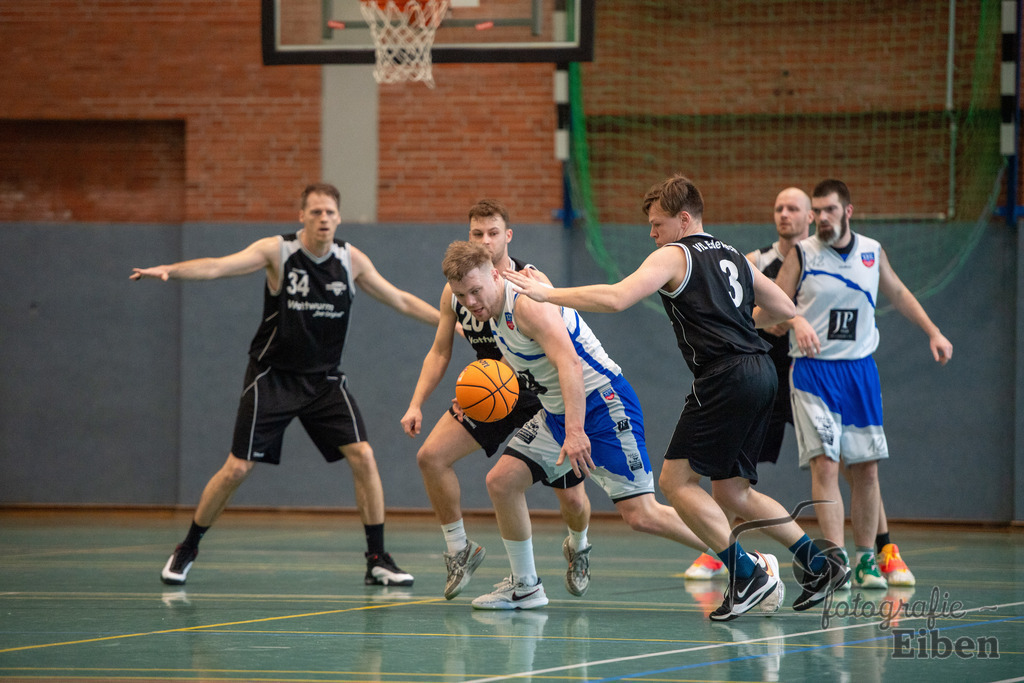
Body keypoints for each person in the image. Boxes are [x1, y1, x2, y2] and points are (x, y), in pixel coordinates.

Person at [505, 174, 850, 621]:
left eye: (657, 224)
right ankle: (821, 563)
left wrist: (546, 293)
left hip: (725, 376)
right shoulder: (732, 253)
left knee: (673, 483)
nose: (652, 234)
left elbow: (615, 298)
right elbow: (785, 307)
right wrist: (742, 321)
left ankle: (746, 575)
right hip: (763, 371)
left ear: (683, 220)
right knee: (734, 492)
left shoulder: (675, 254)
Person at [131, 182, 440, 588]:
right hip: (273, 376)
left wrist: (448, 323)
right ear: (302, 216)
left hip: (325, 381)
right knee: (237, 468)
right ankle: (187, 547)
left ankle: (378, 559)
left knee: (363, 456)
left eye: (330, 212)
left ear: (339, 217)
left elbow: (399, 299)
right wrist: (173, 270)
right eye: (315, 212)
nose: (323, 218)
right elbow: (218, 265)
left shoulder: (350, 260)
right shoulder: (278, 252)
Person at [442, 240, 708, 611]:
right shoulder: (491, 311)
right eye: (461, 294)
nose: (470, 301)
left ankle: (744, 559)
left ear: (496, 274)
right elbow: (520, 360)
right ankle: (525, 586)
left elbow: (568, 363)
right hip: (557, 411)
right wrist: (476, 394)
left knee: (642, 515)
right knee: (502, 482)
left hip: (602, 402)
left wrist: (576, 429)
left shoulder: (526, 304)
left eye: (475, 290)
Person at [400, 199, 593, 601]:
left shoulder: (529, 283)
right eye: (477, 233)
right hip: (494, 391)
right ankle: (460, 550)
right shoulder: (455, 292)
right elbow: (439, 351)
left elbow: (559, 351)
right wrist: (417, 402)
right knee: (430, 457)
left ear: (507, 236)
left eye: (492, 233)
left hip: (539, 393)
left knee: (573, 498)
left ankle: (579, 544)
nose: (485, 241)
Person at [773, 179, 952, 590]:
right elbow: (771, 309)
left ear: (848, 211)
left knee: (867, 469)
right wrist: (796, 320)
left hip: (859, 372)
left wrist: (933, 331)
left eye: (829, 210)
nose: (821, 218)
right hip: (814, 373)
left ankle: (867, 559)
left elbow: (899, 292)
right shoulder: (802, 254)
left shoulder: (871, 252)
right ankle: (836, 560)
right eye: (816, 211)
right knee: (826, 464)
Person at [682, 186, 815, 582]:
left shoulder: (824, 260)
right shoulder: (752, 259)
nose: (784, 214)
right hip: (763, 367)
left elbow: (788, 308)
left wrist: (793, 320)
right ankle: (722, 549)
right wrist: (758, 320)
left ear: (810, 216)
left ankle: (868, 550)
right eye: (778, 207)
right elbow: (745, 312)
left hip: (810, 370)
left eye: (793, 208)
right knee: (731, 478)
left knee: (841, 466)